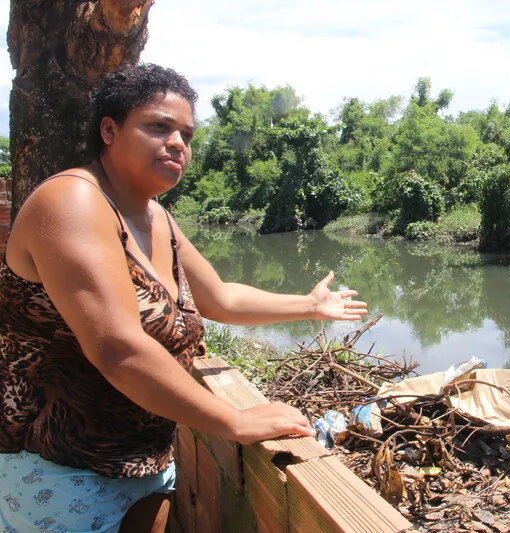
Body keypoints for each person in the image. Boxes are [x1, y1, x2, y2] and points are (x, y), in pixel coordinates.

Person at [0, 64, 368, 533]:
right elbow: (118, 349)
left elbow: (220, 299)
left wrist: (309, 305)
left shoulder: (157, 218)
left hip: (147, 462)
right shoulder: (70, 202)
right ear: (109, 130)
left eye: (187, 135)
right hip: (62, 474)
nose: (178, 143)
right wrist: (234, 421)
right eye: (158, 126)